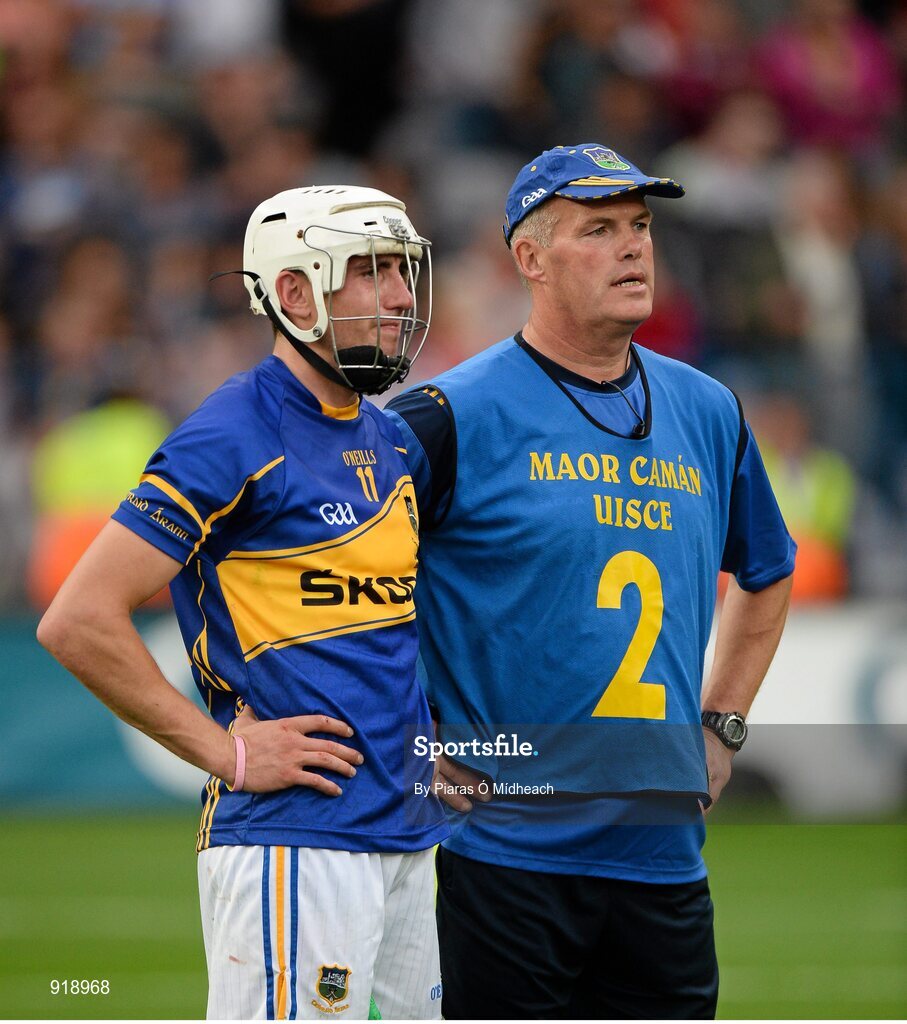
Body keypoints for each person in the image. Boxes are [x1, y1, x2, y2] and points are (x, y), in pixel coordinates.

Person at [386, 144, 796, 1019]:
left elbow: (767, 571)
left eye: (640, 227)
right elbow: (330, 585)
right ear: (529, 259)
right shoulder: (444, 417)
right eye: (599, 229)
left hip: (662, 860)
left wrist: (720, 725)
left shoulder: (708, 408)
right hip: (501, 860)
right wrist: (408, 733)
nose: (634, 248)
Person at [37, 186, 448, 1020]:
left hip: (408, 834)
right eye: (369, 272)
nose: (402, 296)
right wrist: (226, 754)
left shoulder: (394, 439)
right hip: (295, 843)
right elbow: (77, 617)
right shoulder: (231, 432)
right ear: (294, 293)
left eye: (402, 271)